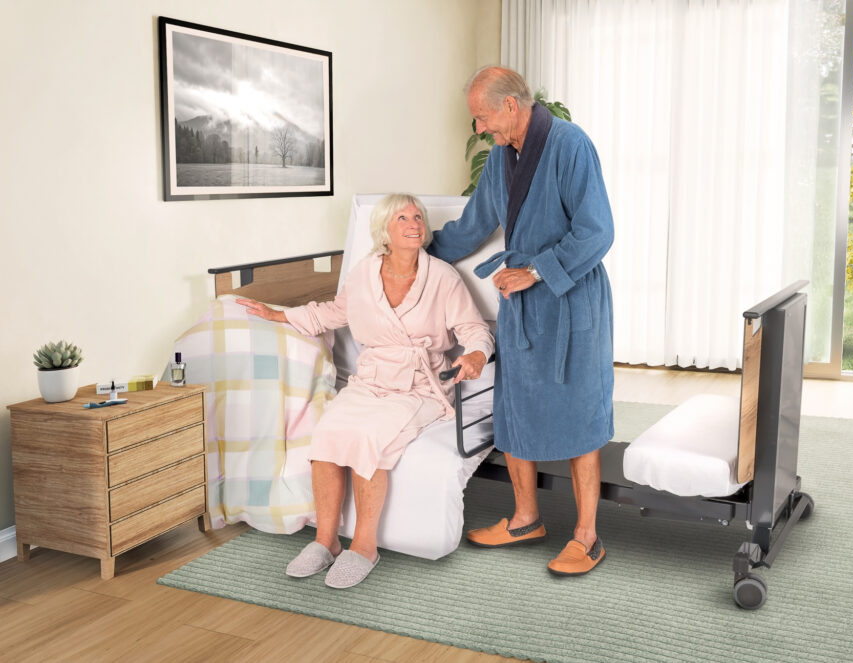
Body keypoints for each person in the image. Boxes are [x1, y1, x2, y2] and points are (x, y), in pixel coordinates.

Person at [238, 193, 493, 589]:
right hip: (371, 380)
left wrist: (476, 354)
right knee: (326, 436)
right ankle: (325, 541)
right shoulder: (363, 274)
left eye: (418, 217)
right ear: (384, 230)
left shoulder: (443, 277)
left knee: (369, 439)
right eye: (402, 218)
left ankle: (364, 546)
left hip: (418, 385)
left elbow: (474, 329)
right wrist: (280, 315)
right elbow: (333, 313)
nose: (414, 223)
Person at [428, 66, 614, 576]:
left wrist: (535, 271)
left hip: (569, 298)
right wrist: (418, 254)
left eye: (482, 117)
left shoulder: (570, 145)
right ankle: (526, 518)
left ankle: (587, 536)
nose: (479, 128)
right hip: (522, 305)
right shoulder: (500, 160)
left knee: (580, 414)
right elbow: (471, 226)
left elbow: (597, 232)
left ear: (510, 105)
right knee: (514, 409)